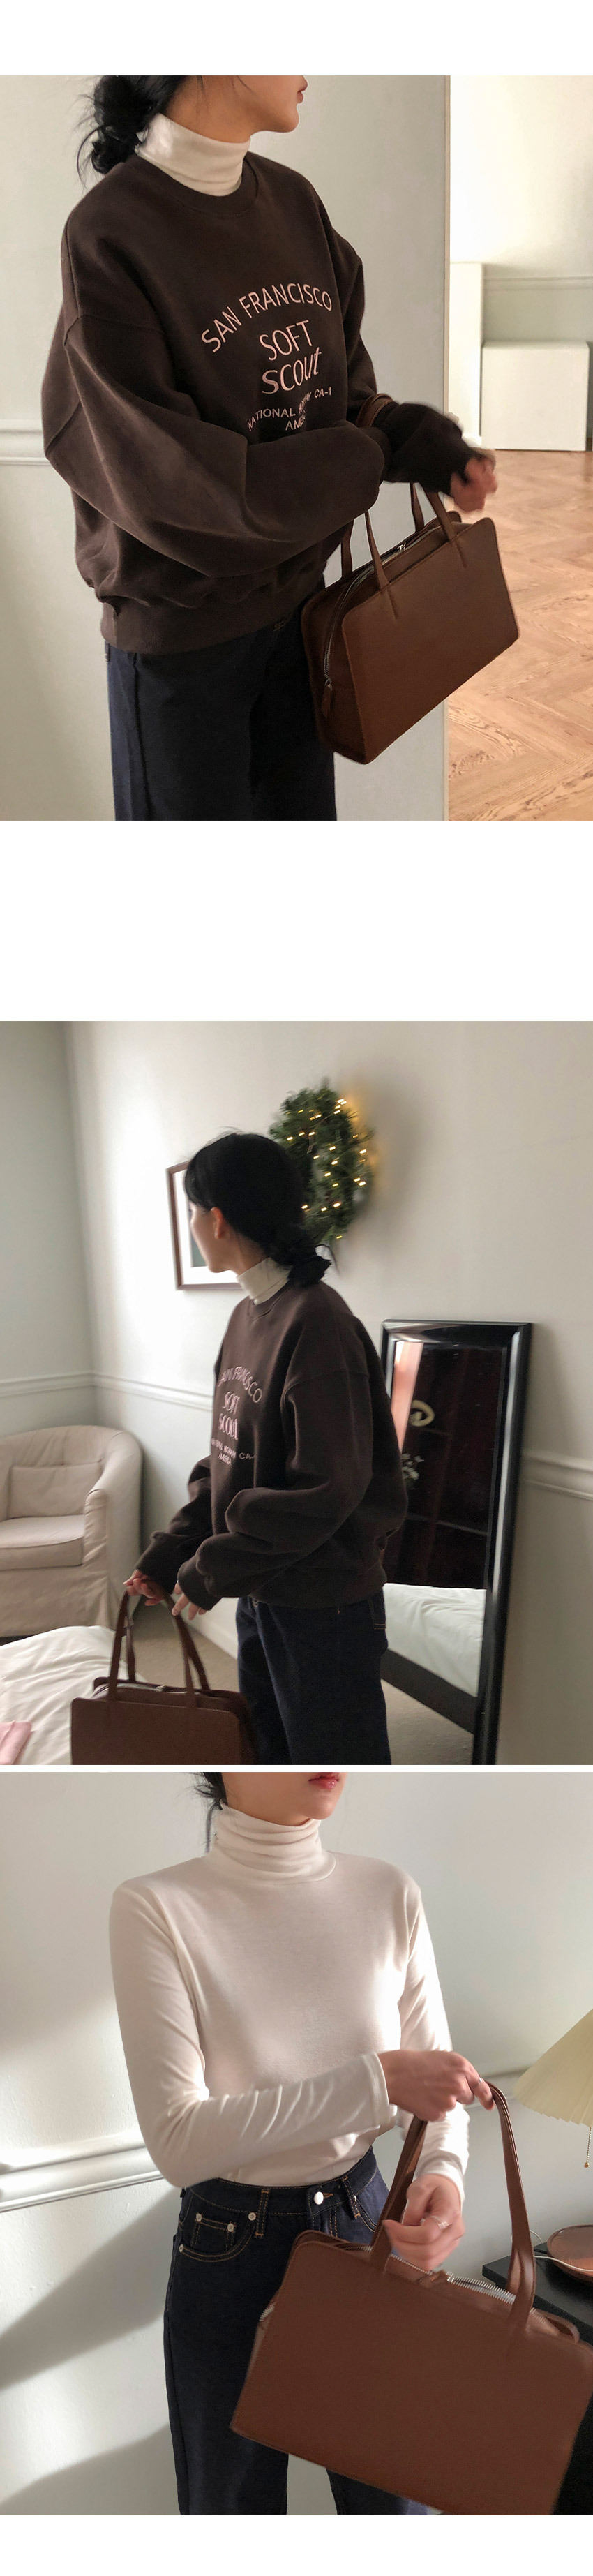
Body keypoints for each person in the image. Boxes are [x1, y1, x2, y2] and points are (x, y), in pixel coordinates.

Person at [41, 75, 497, 824]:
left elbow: (340, 397)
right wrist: (370, 457)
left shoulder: (293, 202)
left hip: (304, 621)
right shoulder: (109, 233)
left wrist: (423, 445)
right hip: (183, 648)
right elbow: (182, 487)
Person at [109, 1766, 493, 2515]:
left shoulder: (388, 1892)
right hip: (229, 2245)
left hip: (367, 2221)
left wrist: (442, 2174)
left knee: (395, 2509)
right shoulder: (157, 1906)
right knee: (234, 2519)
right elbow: (178, 2142)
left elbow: (437, 2084)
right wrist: (373, 2080)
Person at [126, 1129, 407, 1763]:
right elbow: (229, 1457)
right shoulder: (247, 1317)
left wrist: (211, 1567)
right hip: (264, 1588)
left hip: (325, 1603)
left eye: (193, 1211)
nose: (193, 1225)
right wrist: (174, 1549)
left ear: (218, 1219)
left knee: (338, 1770)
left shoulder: (318, 1323)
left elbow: (326, 1488)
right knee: (273, 1757)